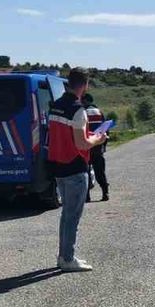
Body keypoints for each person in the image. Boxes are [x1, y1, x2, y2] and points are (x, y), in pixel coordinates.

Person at [46, 68, 107, 272]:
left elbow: (65, 135)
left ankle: (63, 255)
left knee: (66, 215)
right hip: (75, 167)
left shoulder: (55, 107)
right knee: (72, 217)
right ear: (85, 85)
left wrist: (88, 136)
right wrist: (98, 139)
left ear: (68, 83)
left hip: (58, 167)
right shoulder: (78, 110)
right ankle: (68, 258)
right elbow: (82, 144)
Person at [81, 93, 109, 202]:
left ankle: (87, 196)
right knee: (100, 172)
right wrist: (103, 146)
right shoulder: (99, 112)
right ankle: (105, 193)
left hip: (86, 147)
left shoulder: (83, 112)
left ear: (85, 100)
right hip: (98, 147)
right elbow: (105, 129)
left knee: (85, 172)